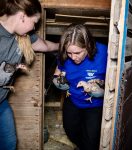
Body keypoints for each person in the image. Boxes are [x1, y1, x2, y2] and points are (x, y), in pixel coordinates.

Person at [0, 0, 59, 149]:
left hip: (1, 102)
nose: (34, 27)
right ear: (23, 16)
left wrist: (63, 45)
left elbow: (45, 45)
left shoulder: (23, 36)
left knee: (9, 143)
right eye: (34, 22)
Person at [53, 24, 108, 150]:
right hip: (72, 99)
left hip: (95, 105)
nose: (73, 57)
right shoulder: (64, 54)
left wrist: (101, 91)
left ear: (88, 46)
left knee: (92, 138)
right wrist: (57, 81)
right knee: (70, 131)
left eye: (78, 52)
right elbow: (58, 72)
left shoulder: (105, 53)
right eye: (69, 53)